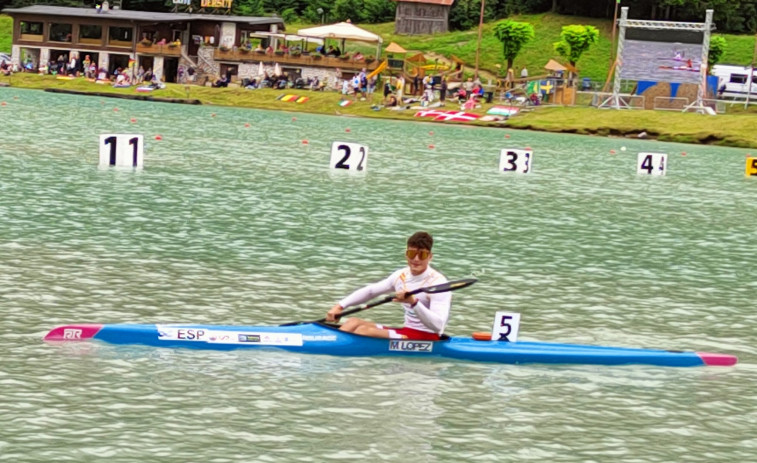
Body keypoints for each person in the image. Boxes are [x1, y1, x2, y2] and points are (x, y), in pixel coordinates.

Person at [325, 231, 450, 340]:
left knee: (363, 331)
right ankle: (332, 348)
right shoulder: (401, 275)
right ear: (406, 254)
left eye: (422, 255)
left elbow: (438, 326)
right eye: (412, 254)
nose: (416, 259)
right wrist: (340, 306)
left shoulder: (438, 283)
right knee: (352, 322)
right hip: (407, 332)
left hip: (428, 337)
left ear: (430, 257)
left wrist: (413, 302)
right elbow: (371, 291)